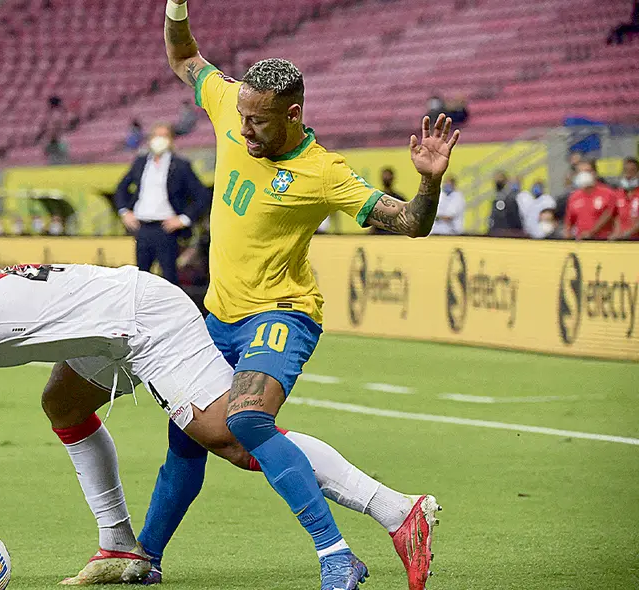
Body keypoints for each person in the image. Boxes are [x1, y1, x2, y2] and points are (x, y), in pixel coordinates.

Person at [0, 255, 430, 587]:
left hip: (142, 318)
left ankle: (395, 509)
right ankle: (120, 546)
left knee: (231, 437)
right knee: (64, 405)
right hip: (108, 324)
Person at [141, 3, 459, 589]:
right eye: (240, 117)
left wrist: (429, 181)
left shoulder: (324, 172)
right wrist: (176, 8)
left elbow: (412, 223)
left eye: (257, 122)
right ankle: (142, 559)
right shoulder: (233, 104)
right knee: (186, 441)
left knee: (248, 420)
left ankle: (336, 553)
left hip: (282, 314)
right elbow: (185, 56)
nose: (242, 129)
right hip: (217, 317)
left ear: (291, 114)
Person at [114, 123, 211, 285]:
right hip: (142, 228)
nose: (159, 140)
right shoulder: (140, 163)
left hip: (166, 230)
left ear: (171, 140)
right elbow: (121, 188)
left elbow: (202, 195)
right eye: (156, 135)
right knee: (140, 277)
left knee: (169, 278)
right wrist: (125, 211)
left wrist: (184, 219)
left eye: (164, 136)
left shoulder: (180, 165)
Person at [564, 161, 617, 240]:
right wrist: (567, 236)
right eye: (580, 172)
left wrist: (592, 232)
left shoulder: (608, 193)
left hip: (603, 242)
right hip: (581, 243)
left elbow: (615, 217)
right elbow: (569, 222)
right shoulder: (574, 197)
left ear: (595, 173)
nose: (584, 175)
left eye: (587, 171)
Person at [487, 171, 524, 237]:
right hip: (496, 233)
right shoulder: (496, 198)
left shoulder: (510, 200)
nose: (498, 182)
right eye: (496, 180)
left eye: (500, 179)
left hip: (506, 233)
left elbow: (515, 219)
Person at [370, 167, 406, 234]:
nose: (386, 178)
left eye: (388, 176)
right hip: (379, 235)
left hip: (396, 235)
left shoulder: (399, 200)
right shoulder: (376, 198)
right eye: (385, 176)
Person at [611, 157, 639, 240]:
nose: (628, 175)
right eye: (626, 171)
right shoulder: (618, 194)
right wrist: (616, 232)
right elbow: (617, 216)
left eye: (632, 171)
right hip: (622, 241)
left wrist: (629, 232)